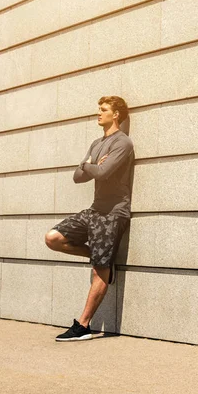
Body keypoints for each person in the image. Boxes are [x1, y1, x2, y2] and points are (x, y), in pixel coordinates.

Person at [45, 95, 135, 341]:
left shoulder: (123, 143)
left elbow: (103, 173)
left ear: (116, 114)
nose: (99, 113)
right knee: (52, 238)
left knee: (99, 271)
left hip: (113, 214)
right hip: (94, 211)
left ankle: (83, 326)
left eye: (104, 109)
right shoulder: (97, 143)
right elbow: (77, 176)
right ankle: (100, 256)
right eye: (99, 108)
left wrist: (88, 166)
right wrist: (90, 166)